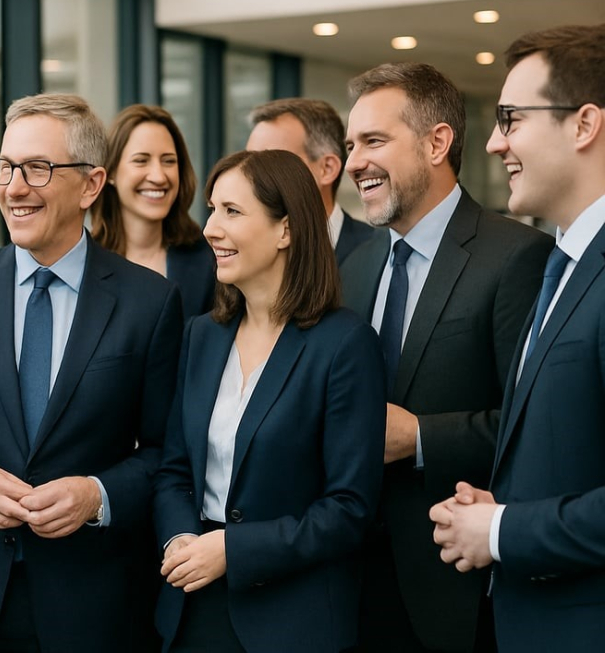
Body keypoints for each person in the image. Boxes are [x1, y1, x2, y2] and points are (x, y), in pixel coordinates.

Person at [0, 93, 183, 652]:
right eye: (6, 167)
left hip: (92, 610)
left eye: (38, 168)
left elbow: (167, 453)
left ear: (91, 185)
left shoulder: (150, 303)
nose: (14, 187)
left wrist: (97, 495)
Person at [340, 62, 552, 652]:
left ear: (437, 143)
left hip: (456, 582)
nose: (355, 162)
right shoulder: (354, 267)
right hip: (353, 581)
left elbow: (534, 428)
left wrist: (420, 438)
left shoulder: (518, 257)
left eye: (373, 141)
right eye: (351, 145)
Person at [153, 149, 385, 652]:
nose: (210, 229)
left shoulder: (344, 344)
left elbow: (349, 509)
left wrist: (234, 551)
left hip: (292, 620)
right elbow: (174, 470)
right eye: (212, 210)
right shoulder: (201, 335)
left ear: (286, 230)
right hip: (193, 603)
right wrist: (180, 540)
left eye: (232, 212)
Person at [430, 23, 605, 653]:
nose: (495, 141)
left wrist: (503, 530)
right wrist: (504, 505)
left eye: (512, 119)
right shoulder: (563, 263)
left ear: (584, 125)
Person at [92, 104, 214, 318]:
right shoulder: (85, 263)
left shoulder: (209, 261)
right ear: (110, 172)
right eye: (141, 161)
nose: (158, 176)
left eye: (169, 161)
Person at [246, 97, 376, 265]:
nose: (252, 177)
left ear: (327, 169)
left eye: (272, 162)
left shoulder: (382, 255)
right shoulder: (237, 253)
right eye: (249, 164)